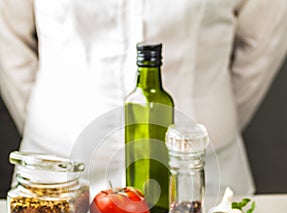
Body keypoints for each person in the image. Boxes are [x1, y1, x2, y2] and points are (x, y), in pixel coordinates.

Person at [0, 0, 287, 198]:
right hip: (57, 176)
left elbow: (261, 45)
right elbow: (7, 40)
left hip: (202, 178)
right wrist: (57, 121)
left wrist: (208, 118)